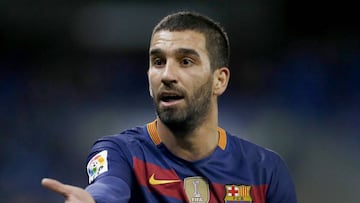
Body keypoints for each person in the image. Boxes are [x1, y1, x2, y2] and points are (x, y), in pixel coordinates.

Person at [42, 11, 297, 203]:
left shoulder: (265, 170)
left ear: (219, 80)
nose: (167, 75)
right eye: (158, 61)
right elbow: (108, 187)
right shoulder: (121, 152)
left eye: (185, 61)